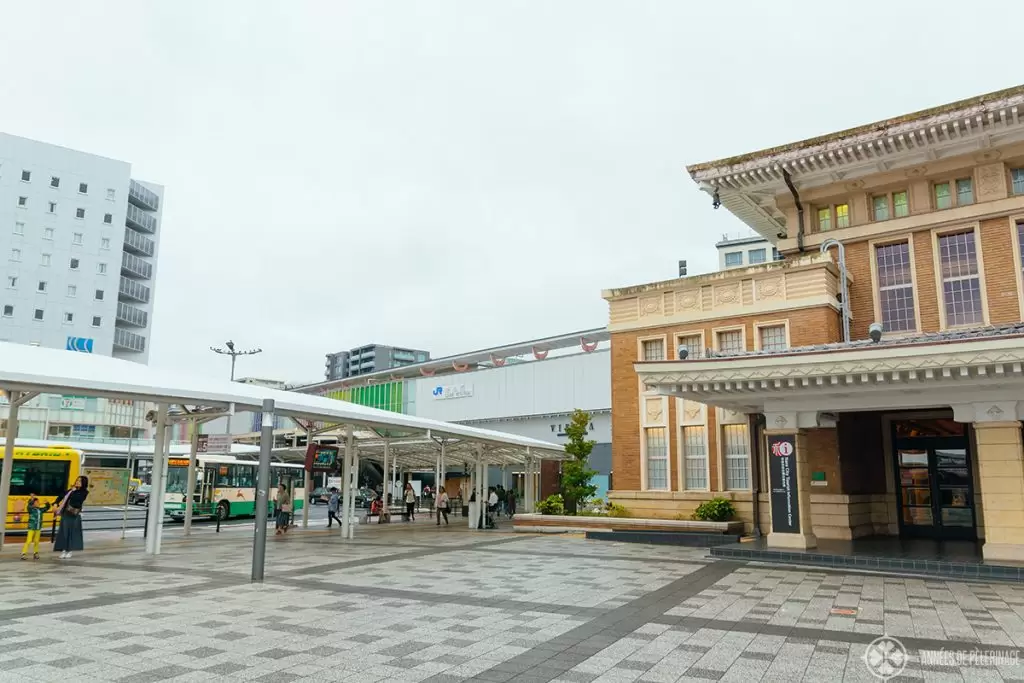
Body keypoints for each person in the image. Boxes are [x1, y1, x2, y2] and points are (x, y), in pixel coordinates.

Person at [54, 476, 89, 559]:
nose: (77, 482)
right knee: (63, 532)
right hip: (65, 513)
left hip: (74, 515)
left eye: (80, 481)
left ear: (84, 483)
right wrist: (56, 503)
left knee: (71, 533)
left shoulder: (84, 492)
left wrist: (73, 492)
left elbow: (77, 500)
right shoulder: (71, 490)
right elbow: (61, 496)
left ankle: (69, 550)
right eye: (77, 480)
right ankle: (63, 550)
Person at [21, 493, 50, 560]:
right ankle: (23, 554)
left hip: (38, 527)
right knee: (29, 540)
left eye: (38, 502)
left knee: (36, 541)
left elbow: (47, 508)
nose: (38, 503)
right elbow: (28, 506)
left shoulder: (40, 510)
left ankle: (35, 553)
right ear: (33, 503)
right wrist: (32, 499)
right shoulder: (31, 509)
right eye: (36, 502)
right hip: (32, 527)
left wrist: (47, 503)